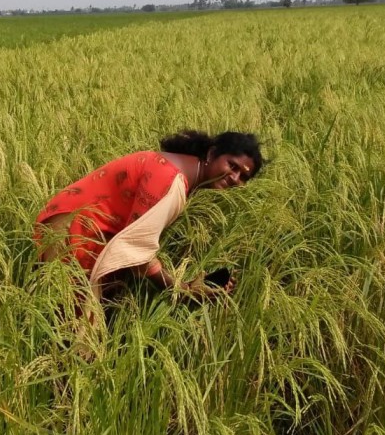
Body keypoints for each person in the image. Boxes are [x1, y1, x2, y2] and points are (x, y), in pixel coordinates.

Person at [35, 130, 263, 323]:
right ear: (212, 153)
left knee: (89, 314)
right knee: (79, 330)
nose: (234, 177)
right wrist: (181, 289)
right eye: (232, 165)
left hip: (79, 226)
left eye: (243, 176)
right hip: (72, 229)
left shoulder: (180, 173)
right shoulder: (170, 178)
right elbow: (136, 251)